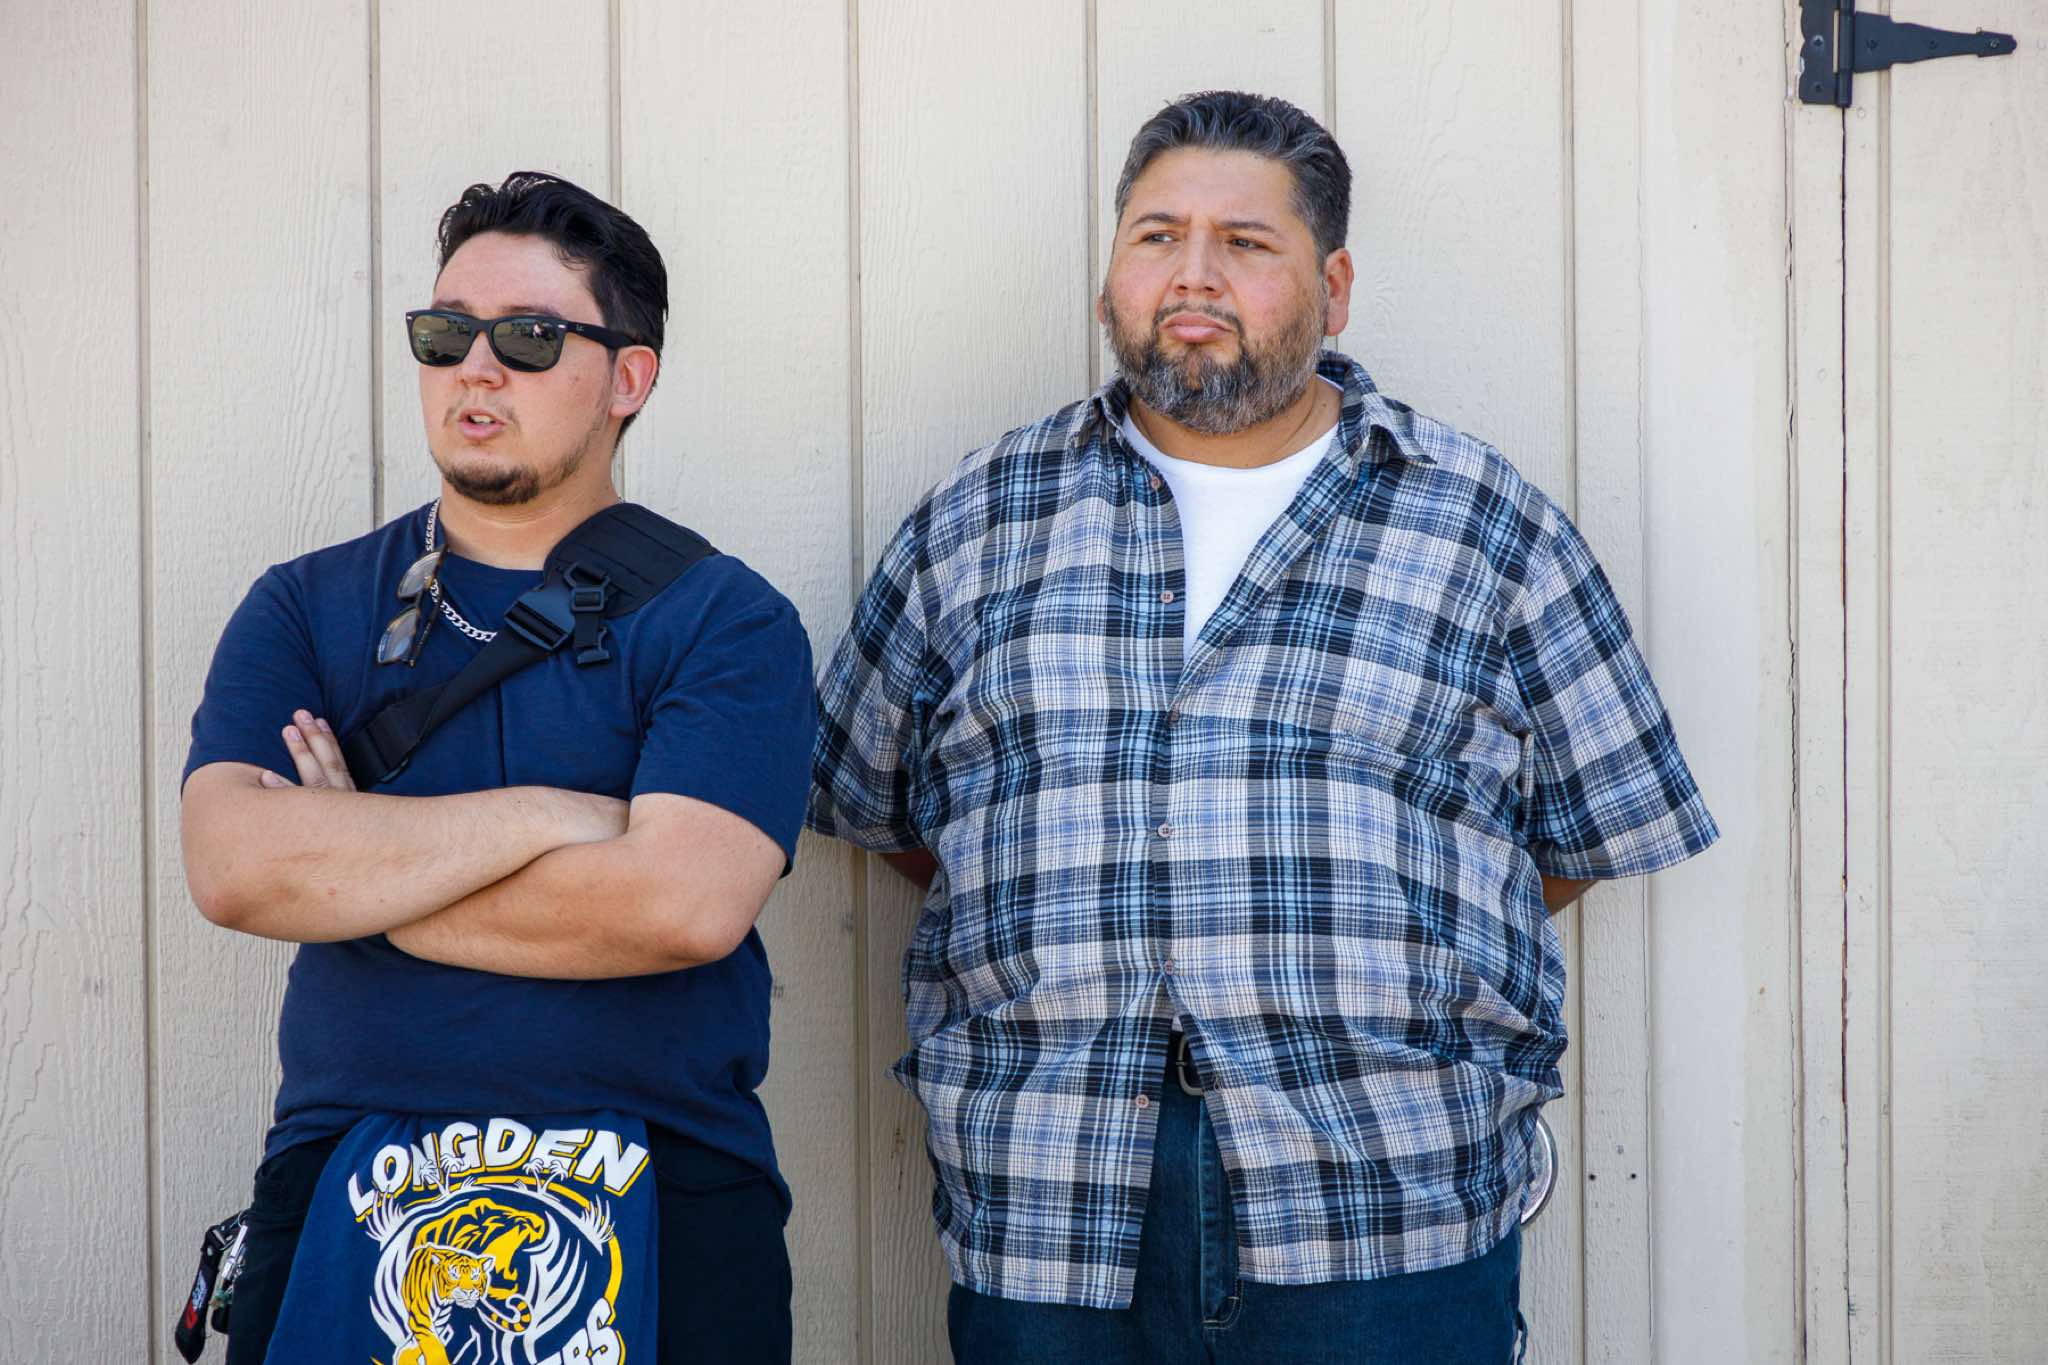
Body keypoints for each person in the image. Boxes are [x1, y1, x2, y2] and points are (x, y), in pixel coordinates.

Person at [808, 91, 1719, 1364]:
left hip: (1381, 1197)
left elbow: (1585, 832)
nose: (1192, 274)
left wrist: (1392, 939)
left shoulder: (1480, 526)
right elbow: (882, 806)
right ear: (1109, 277)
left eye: (1244, 242)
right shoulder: (975, 520)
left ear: (1331, 289)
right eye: (1155, 236)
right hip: (1049, 1196)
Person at [180, 171, 811, 1365]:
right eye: (445, 334)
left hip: (666, 1180)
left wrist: (363, 868)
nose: (476, 368)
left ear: (627, 378)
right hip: (348, 1172)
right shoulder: (303, 607)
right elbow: (236, 871)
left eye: (527, 337)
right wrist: (553, 817)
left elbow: (680, 906)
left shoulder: (724, 621)